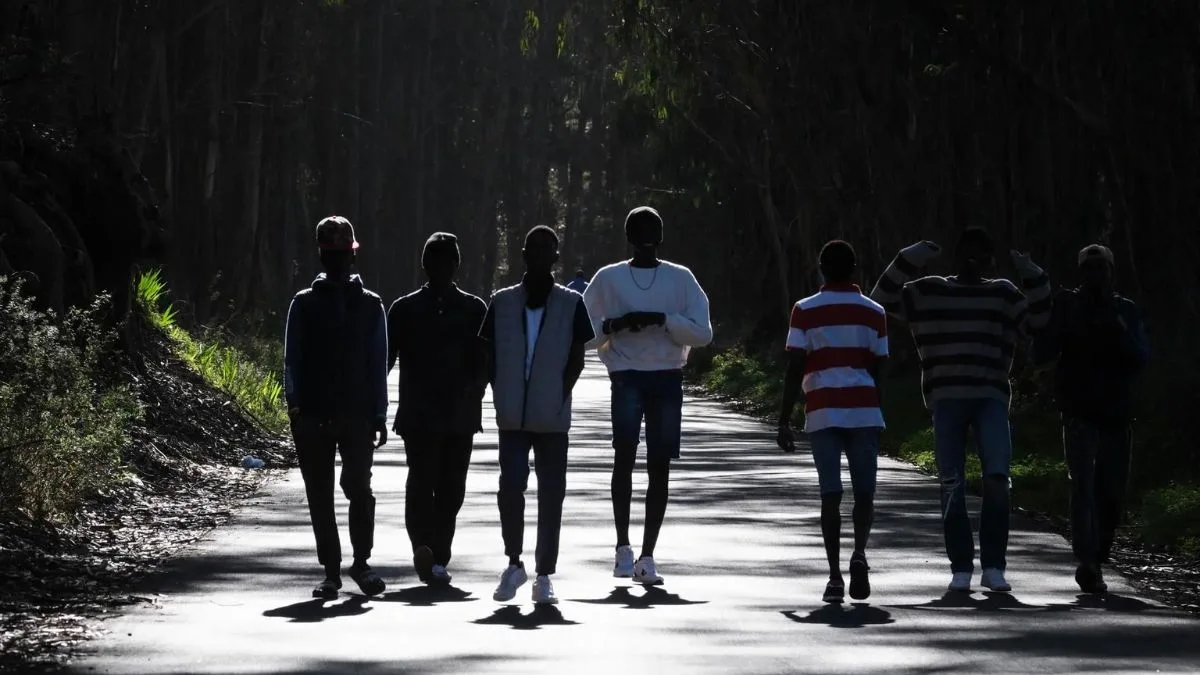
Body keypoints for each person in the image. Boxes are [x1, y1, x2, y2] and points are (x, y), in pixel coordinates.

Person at [870, 227, 1051, 594]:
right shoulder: (930, 290)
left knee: (997, 479)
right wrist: (909, 257)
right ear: (956, 256)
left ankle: (995, 567)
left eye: (981, 253)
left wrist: (1032, 273)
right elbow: (880, 302)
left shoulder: (1003, 293)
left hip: (991, 397)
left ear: (990, 260)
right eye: (967, 252)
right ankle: (961, 568)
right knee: (951, 483)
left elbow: (1039, 324)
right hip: (946, 399)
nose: (974, 259)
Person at [583, 206, 713, 585]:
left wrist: (663, 320)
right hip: (626, 376)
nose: (645, 239)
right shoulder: (608, 279)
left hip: (667, 378)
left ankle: (647, 555)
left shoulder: (681, 278)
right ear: (628, 237)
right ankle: (624, 548)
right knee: (624, 459)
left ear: (660, 237)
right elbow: (582, 330)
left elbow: (703, 332)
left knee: (659, 466)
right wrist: (614, 325)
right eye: (640, 232)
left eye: (650, 231)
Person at [478, 225, 594, 605]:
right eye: (535, 249)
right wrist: (498, 392)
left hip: (552, 417)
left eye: (549, 249)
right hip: (511, 416)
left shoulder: (571, 303)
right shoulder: (502, 301)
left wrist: (559, 394)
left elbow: (578, 356)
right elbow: (488, 354)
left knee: (551, 495)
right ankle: (514, 563)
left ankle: (544, 574)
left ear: (556, 258)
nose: (541, 255)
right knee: (510, 488)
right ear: (524, 254)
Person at [283, 215, 389, 599]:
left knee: (359, 489)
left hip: (358, 415)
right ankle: (331, 571)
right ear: (322, 256)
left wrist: (379, 414)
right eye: (333, 254)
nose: (339, 261)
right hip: (312, 416)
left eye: (343, 254)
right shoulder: (304, 304)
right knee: (319, 494)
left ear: (353, 256)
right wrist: (294, 409)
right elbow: (290, 360)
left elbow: (379, 363)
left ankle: (362, 563)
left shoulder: (371, 305)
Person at [1033, 244, 1148, 594]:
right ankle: (1088, 562)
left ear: (1112, 272)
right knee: (1082, 486)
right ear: (1081, 273)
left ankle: (1099, 553)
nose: (1096, 275)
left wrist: (1118, 329)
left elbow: (1141, 357)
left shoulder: (1125, 310)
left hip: (1116, 413)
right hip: (1079, 412)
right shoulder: (1067, 307)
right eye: (1090, 269)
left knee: (1111, 491)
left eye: (1102, 268)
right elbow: (1042, 352)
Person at [777, 240, 887, 603]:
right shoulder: (874, 312)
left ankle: (835, 576)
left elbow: (794, 366)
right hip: (864, 410)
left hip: (823, 410)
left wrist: (784, 419)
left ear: (820, 269)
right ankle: (859, 552)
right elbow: (879, 367)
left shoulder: (804, 310)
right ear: (855, 269)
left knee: (831, 494)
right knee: (865, 492)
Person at [387, 232, 488, 586]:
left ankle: (438, 553)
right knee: (421, 481)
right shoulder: (403, 309)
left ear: (457, 265)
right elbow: (384, 360)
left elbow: (485, 360)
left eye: (448, 261)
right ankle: (424, 547)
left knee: (451, 488)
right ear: (424, 265)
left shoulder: (475, 309)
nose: (442, 268)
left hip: (460, 416)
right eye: (435, 261)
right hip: (419, 415)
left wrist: (478, 387)